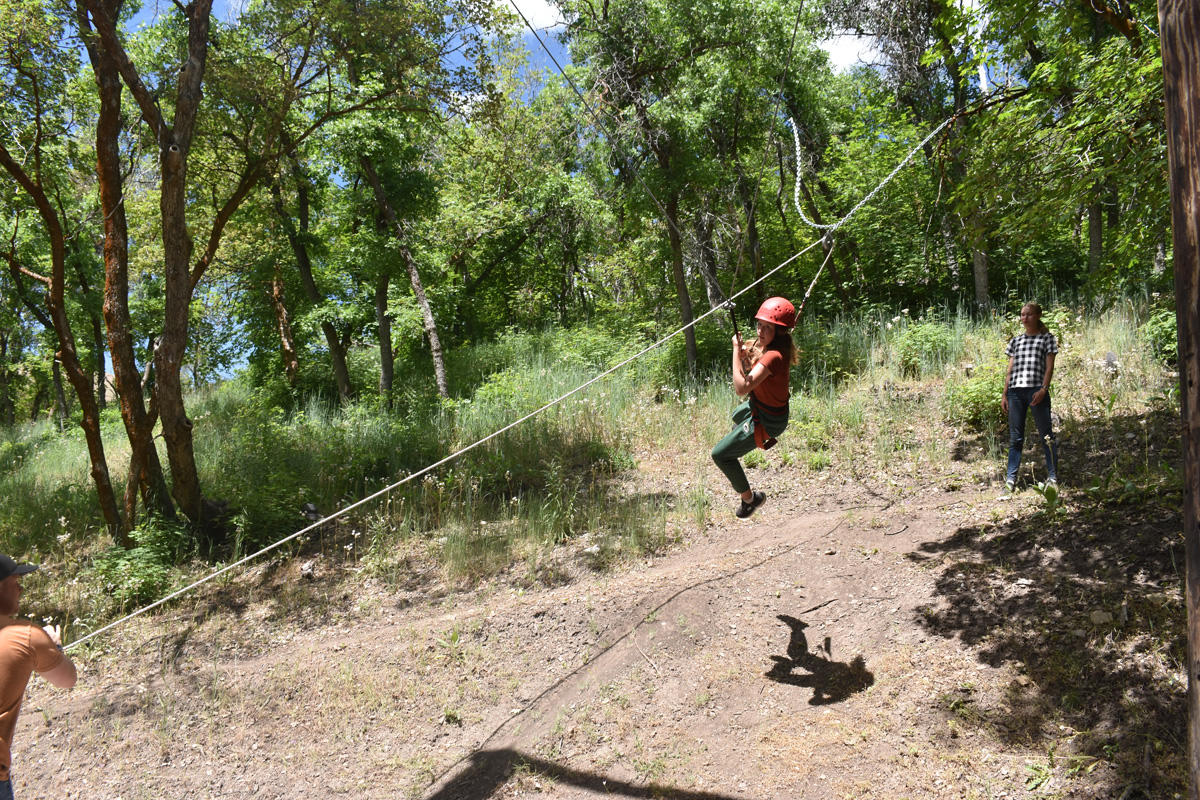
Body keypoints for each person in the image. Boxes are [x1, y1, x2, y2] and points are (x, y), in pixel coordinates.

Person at [711, 297, 798, 518]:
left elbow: (741, 388)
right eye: (759, 324)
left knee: (720, 455)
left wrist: (735, 350)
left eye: (767, 327)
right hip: (763, 408)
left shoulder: (773, 356)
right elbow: (755, 373)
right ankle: (741, 435)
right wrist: (744, 359)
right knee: (736, 415)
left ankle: (750, 500)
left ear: (779, 331)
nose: (760, 330)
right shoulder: (774, 349)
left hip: (769, 421)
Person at [0, 554, 76, 800]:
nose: (21, 589)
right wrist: (55, 646)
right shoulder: (25, 635)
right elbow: (67, 679)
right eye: (15, 582)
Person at [1000, 302, 1058, 494]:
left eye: (1029, 314)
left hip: (1036, 391)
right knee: (1015, 438)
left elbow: (1049, 367)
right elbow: (1010, 371)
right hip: (1015, 393)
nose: (1025, 318)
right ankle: (1010, 481)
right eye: (1022, 315)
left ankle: (1053, 478)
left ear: (1038, 315)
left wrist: (1043, 389)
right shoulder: (1016, 341)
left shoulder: (1047, 338)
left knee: (1046, 436)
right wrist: (1005, 394)